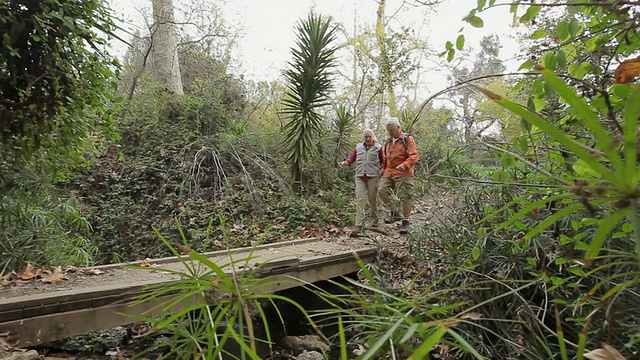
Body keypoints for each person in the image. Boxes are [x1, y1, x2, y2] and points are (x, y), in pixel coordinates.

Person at [378, 117, 419, 234]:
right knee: (381, 191)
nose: (390, 133)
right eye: (388, 131)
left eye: (391, 130)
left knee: (406, 196)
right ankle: (395, 212)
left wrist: (405, 165)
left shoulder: (407, 139)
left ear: (398, 128)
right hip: (389, 171)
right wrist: (382, 168)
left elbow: (414, 156)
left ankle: (406, 222)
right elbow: (386, 158)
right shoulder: (388, 141)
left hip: (404, 172)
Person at [340, 128, 385, 235]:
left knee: (371, 198)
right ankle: (358, 225)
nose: (368, 138)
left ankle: (375, 219)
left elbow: (383, 161)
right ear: (363, 137)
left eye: (370, 136)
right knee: (360, 198)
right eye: (366, 137)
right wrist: (345, 163)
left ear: (372, 137)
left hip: (373, 176)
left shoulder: (378, 148)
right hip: (359, 175)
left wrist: (382, 170)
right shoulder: (358, 147)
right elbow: (352, 159)